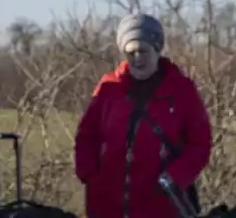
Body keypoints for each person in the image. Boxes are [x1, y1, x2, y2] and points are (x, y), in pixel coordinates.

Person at [73, 13, 212, 218]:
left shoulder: (181, 90)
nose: (137, 58)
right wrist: (89, 174)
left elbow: (200, 143)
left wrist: (175, 177)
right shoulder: (109, 88)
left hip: (160, 206)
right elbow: (87, 135)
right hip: (106, 206)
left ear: (157, 49)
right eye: (131, 52)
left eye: (143, 51)